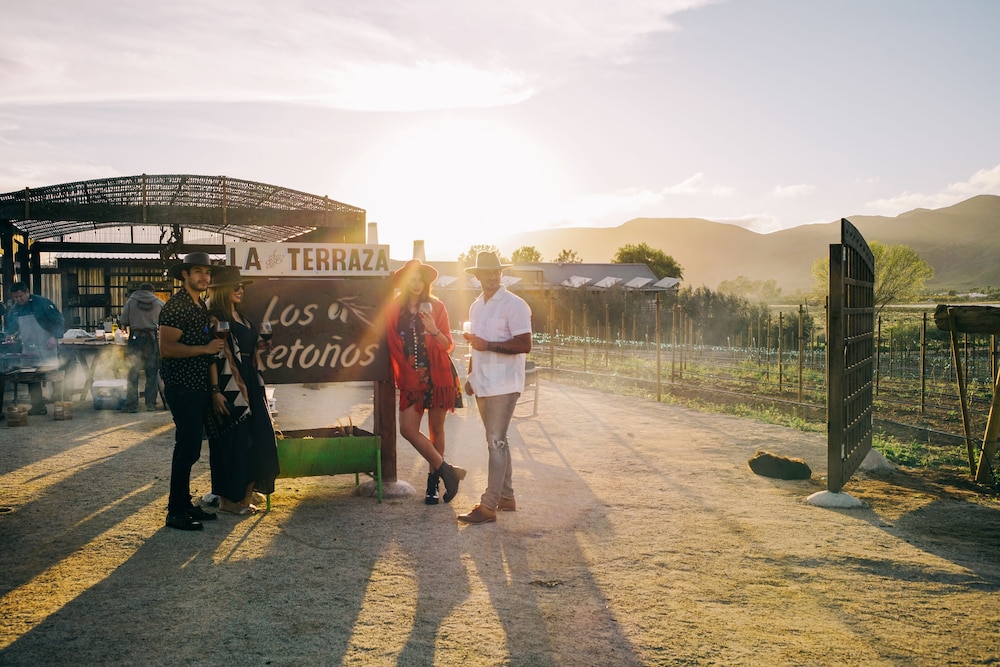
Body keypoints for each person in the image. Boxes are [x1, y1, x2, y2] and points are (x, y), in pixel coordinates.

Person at [458, 251, 533, 525]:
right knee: (499, 440)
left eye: (496, 271)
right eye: (486, 272)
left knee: (495, 442)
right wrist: (471, 376)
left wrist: (488, 345)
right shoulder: (476, 306)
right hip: (483, 382)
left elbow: (525, 344)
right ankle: (507, 497)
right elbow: (474, 345)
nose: (492, 276)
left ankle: (489, 505)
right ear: (477, 276)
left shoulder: (515, 305)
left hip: (504, 383)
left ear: (501, 273)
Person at [385, 259, 466, 505]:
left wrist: (433, 330)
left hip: (438, 375)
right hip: (411, 377)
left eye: (420, 279)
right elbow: (391, 343)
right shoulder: (394, 309)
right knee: (407, 429)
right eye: (411, 279)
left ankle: (433, 485)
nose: (416, 283)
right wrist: (406, 373)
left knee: (436, 430)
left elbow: (448, 346)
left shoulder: (437, 307)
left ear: (425, 282)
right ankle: (447, 471)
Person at [203, 266, 280, 515]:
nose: (240, 290)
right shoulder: (215, 317)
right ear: (223, 290)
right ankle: (227, 501)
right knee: (233, 443)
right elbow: (213, 356)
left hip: (250, 382)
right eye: (235, 287)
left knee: (259, 437)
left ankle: (246, 498)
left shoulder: (243, 316)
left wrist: (260, 346)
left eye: (242, 287)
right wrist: (215, 390)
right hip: (230, 385)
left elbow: (246, 349)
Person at [158, 253, 225, 531]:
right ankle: (175, 511)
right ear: (185, 274)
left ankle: (184, 504)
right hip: (182, 386)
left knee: (191, 448)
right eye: (198, 271)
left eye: (207, 272)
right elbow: (166, 348)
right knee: (187, 448)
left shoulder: (198, 305)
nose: (204, 277)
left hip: (196, 386)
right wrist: (205, 348)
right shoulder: (176, 306)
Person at [4, 281, 65, 415]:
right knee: (31, 377)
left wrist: (55, 337)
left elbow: (59, 320)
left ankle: (60, 406)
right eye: (15, 297)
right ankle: (38, 406)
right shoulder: (15, 310)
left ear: (27, 292)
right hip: (29, 350)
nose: (18, 300)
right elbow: (10, 326)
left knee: (52, 375)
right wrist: (9, 334)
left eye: (21, 296)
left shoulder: (42, 303)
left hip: (47, 346)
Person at [119, 283, 164, 413]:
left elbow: (123, 321)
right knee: (152, 373)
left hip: (135, 339)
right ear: (152, 291)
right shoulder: (159, 302)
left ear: (140, 290)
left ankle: (132, 405)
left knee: (133, 373)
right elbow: (165, 322)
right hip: (151, 339)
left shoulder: (131, 301)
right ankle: (150, 404)